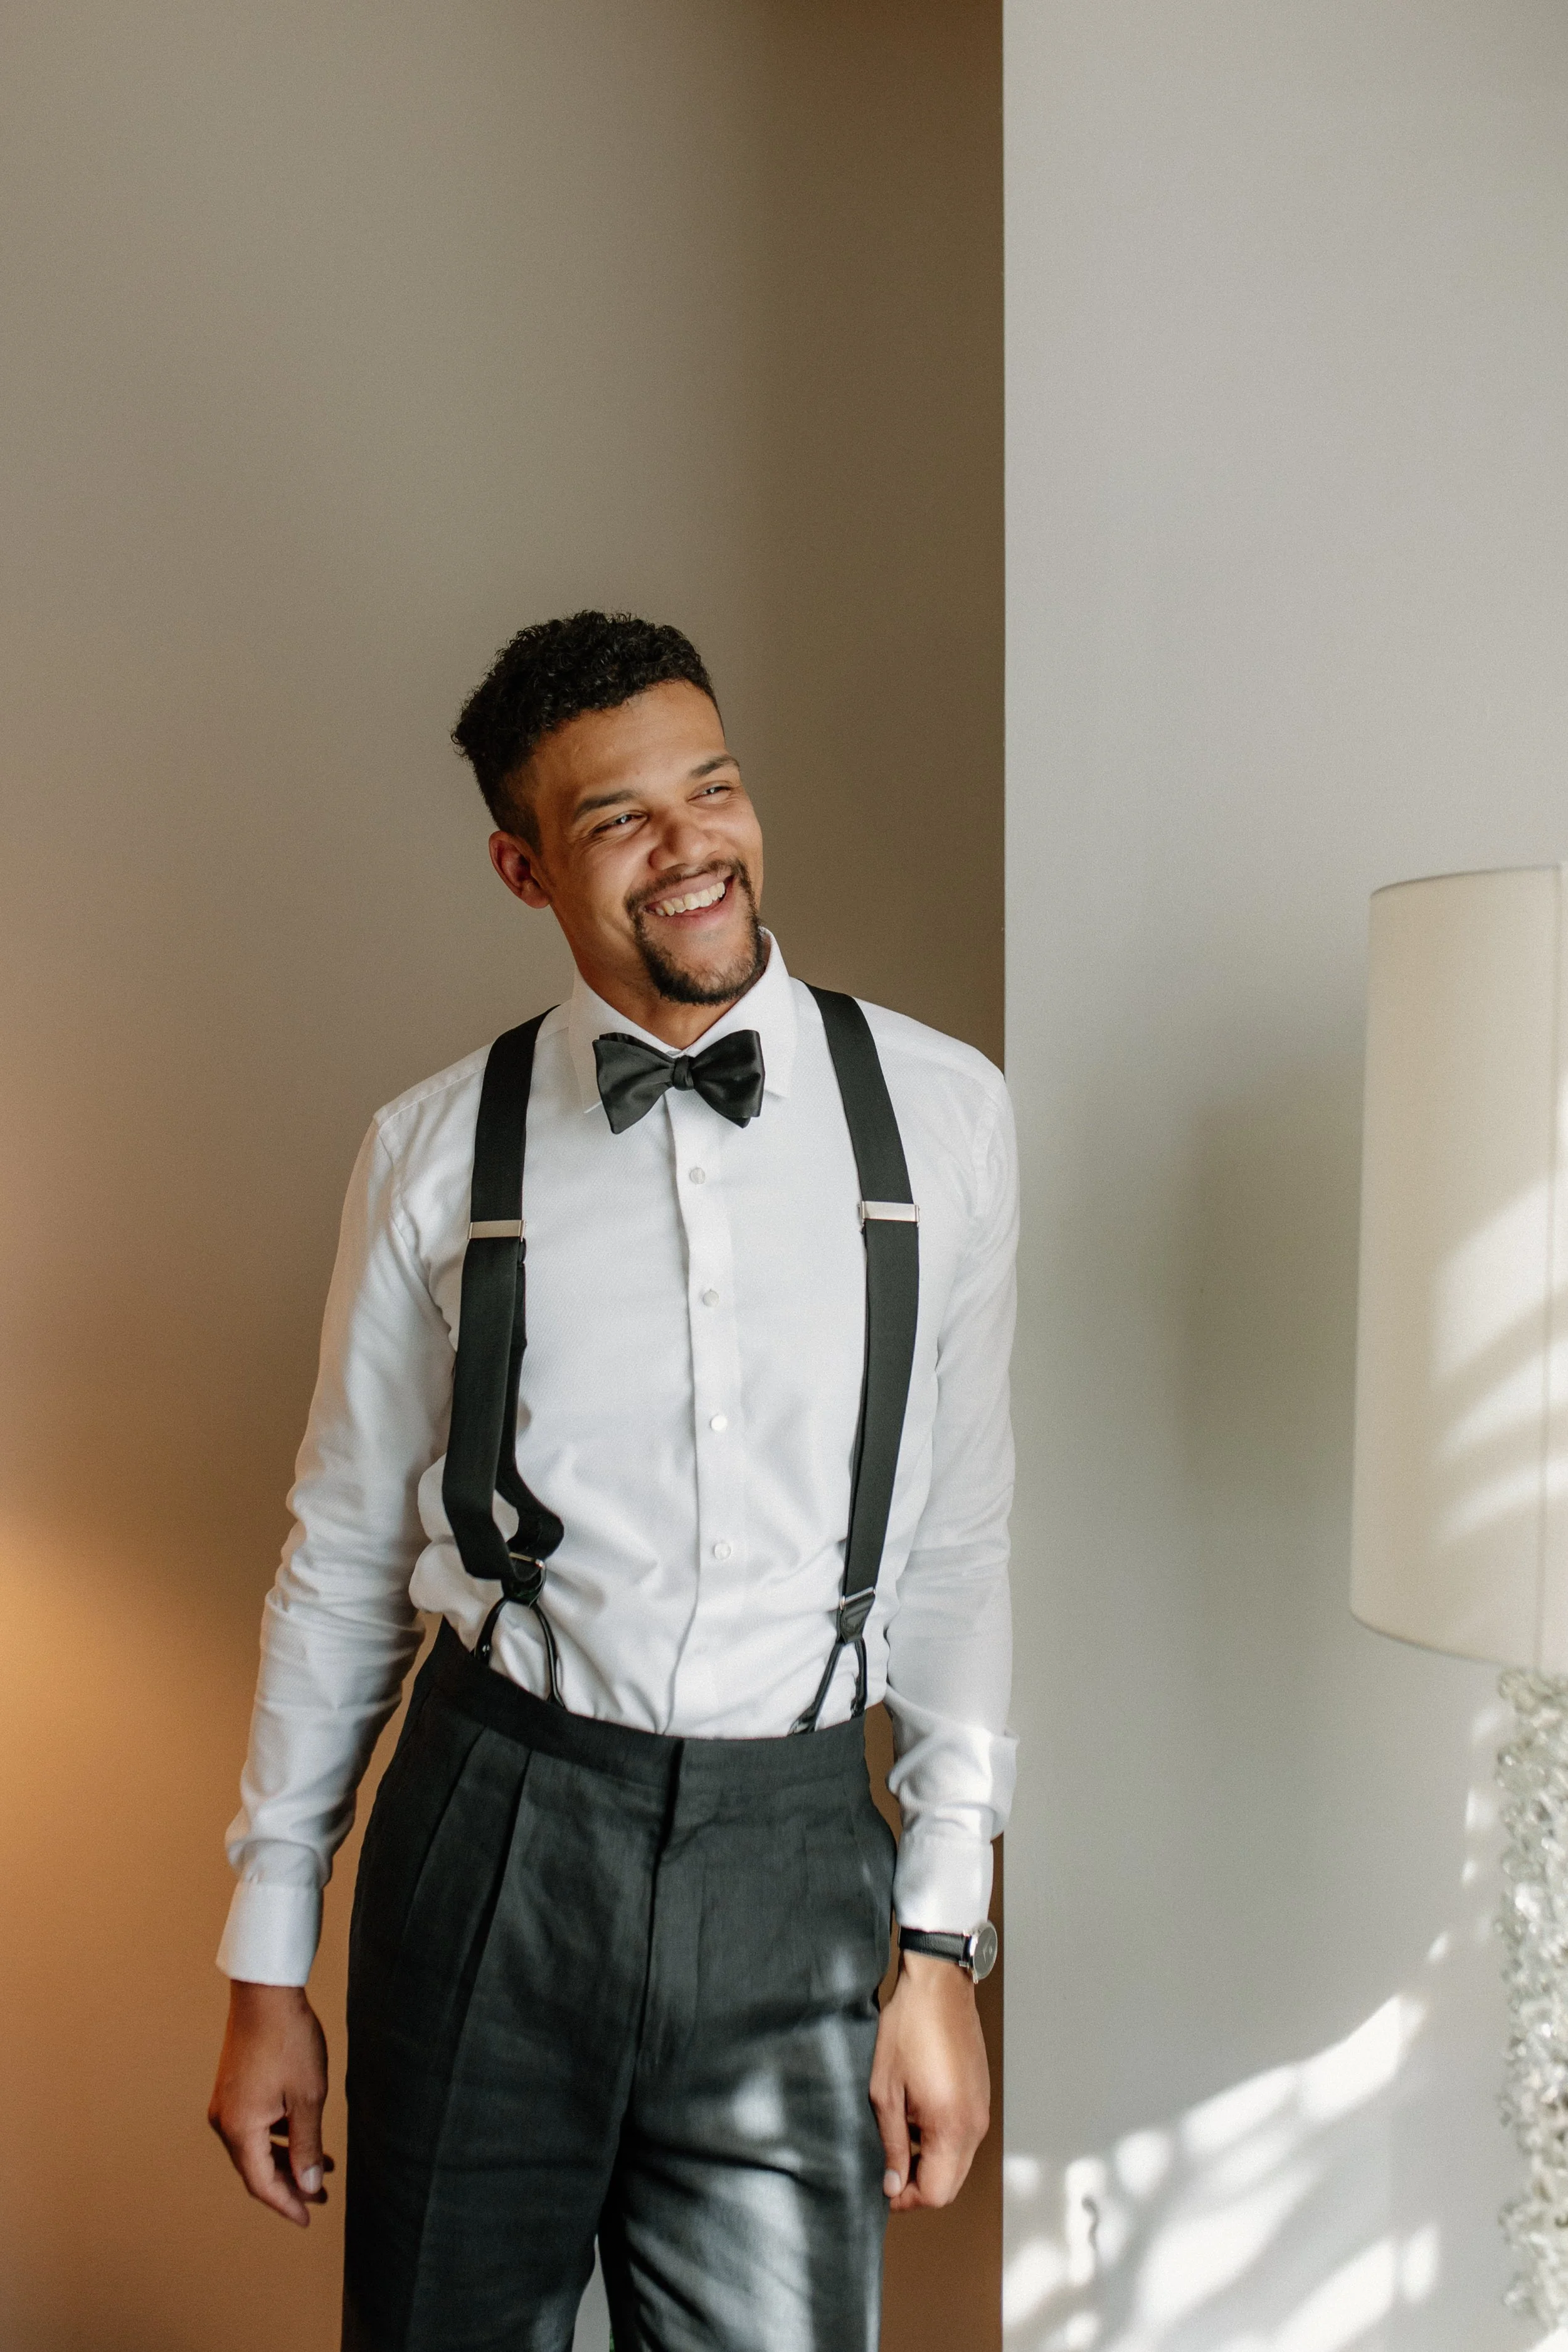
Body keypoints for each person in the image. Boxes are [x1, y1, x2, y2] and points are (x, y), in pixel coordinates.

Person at [207, 611, 1017, 2352]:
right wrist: (266, 1960)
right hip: (499, 1819)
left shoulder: (942, 1118)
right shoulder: (435, 1149)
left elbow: (953, 1543)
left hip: (799, 1842)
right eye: (618, 822)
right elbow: (345, 1556)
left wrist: (940, 1939)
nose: (691, 849)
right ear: (523, 866)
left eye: (709, 789)